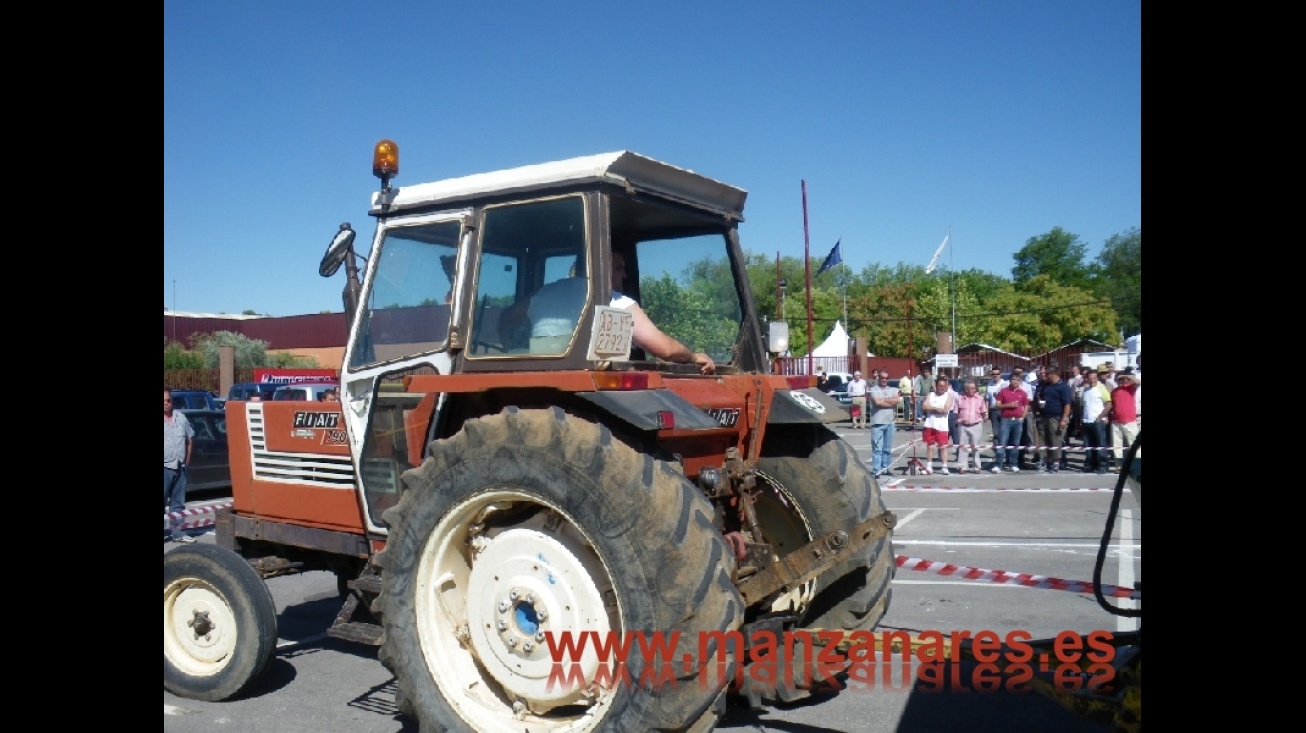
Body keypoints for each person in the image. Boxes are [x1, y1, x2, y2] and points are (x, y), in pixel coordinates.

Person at [611, 252, 715, 374]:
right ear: (603, 272)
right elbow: (666, 349)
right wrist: (693, 357)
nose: (624, 275)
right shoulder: (618, 304)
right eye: (618, 268)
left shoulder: (587, 300)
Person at [164, 389, 196, 544]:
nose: (166, 403)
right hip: (164, 467)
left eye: (168, 400)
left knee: (178, 503)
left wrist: (187, 460)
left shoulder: (181, 418)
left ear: (172, 401)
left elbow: (190, 439)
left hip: (180, 466)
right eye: (163, 401)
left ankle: (178, 533)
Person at [1033, 369, 1074, 474]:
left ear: (1054, 374)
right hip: (1043, 416)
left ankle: (1056, 463)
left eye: (1047, 374)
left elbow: (1067, 404)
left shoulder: (1063, 387)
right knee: (1043, 439)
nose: (1045, 376)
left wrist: (1064, 419)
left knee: (1055, 439)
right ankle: (1046, 461)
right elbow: (1038, 398)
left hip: (1056, 417)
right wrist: (1039, 403)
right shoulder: (1044, 386)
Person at [993, 377, 1030, 473]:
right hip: (1006, 420)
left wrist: (1023, 417)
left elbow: (1026, 406)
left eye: (1018, 380)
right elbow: (997, 405)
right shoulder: (1003, 391)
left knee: (1015, 443)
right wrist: (1008, 405)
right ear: (1010, 381)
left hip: (1018, 421)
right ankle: (998, 465)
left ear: (1020, 382)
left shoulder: (1023, 393)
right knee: (1002, 442)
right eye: (1013, 379)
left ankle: (1013, 464)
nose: (1015, 381)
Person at [1078, 368, 1113, 473]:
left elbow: (1109, 403)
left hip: (1097, 421)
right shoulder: (1085, 390)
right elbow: (1082, 405)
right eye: (1090, 378)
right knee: (1088, 445)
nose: (1092, 380)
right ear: (1087, 379)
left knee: (1101, 444)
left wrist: (1101, 416)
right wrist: (1081, 419)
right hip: (1086, 421)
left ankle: (1103, 465)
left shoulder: (1101, 388)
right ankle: (1090, 464)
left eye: (1094, 378)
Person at [920, 376, 955, 475]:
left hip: (942, 426)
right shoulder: (930, 395)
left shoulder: (948, 396)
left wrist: (931, 408)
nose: (942, 388)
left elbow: (945, 409)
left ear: (947, 386)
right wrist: (936, 409)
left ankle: (944, 467)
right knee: (930, 446)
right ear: (936, 385)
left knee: (943, 447)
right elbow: (924, 406)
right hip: (930, 424)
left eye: (944, 386)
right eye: (940, 386)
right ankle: (929, 466)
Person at [867, 371, 900, 476]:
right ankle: (877, 469)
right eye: (882, 377)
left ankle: (886, 468)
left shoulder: (893, 390)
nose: (884, 380)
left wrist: (883, 400)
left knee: (887, 448)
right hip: (877, 422)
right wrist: (890, 402)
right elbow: (877, 403)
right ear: (879, 378)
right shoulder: (873, 389)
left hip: (890, 422)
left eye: (886, 378)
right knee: (877, 448)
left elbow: (897, 400)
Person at [1106, 369, 1141, 465]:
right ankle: (1119, 466)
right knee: (1117, 446)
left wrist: (1126, 376)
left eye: (1123, 380)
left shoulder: (1130, 388)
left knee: (1134, 444)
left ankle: (1137, 464)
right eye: (1119, 380)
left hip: (1129, 421)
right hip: (1116, 421)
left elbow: (1138, 382)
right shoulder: (1114, 391)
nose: (1121, 381)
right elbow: (1112, 405)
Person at [954, 380, 989, 473]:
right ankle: (962, 467)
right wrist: (958, 421)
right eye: (971, 388)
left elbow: (984, 411)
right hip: (963, 426)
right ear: (966, 389)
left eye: (974, 388)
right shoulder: (960, 398)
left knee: (975, 447)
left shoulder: (980, 398)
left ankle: (976, 466)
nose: (973, 390)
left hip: (976, 425)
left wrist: (985, 416)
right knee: (963, 447)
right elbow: (955, 412)